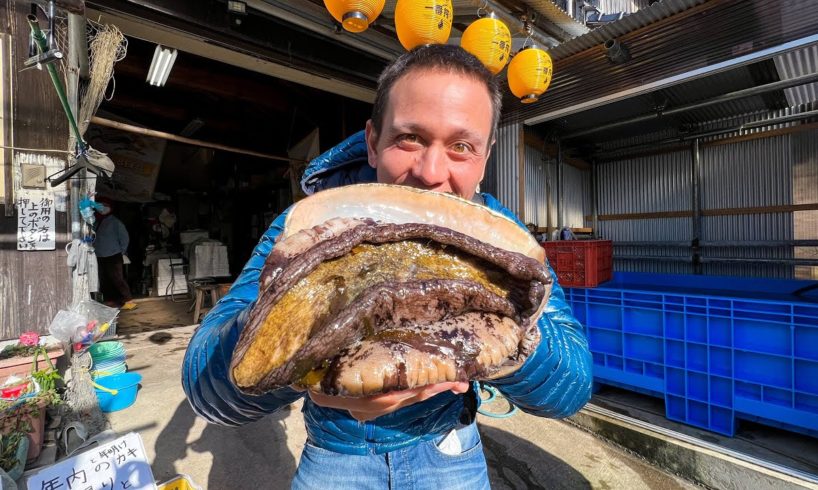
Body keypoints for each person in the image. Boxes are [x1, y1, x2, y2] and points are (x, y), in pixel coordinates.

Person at [183, 44, 591, 489]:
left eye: (461, 146)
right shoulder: (307, 225)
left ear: (486, 156)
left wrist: (502, 339)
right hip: (334, 457)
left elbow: (572, 386)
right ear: (372, 141)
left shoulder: (505, 239)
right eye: (409, 138)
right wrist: (301, 337)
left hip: (451, 450)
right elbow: (207, 391)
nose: (431, 171)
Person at [94, 199, 137, 311]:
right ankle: (110, 301)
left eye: (105, 206)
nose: (102, 208)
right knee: (104, 280)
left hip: (114, 255)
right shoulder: (96, 221)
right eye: (101, 206)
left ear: (111, 208)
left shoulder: (115, 222)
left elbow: (125, 238)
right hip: (100, 255)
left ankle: (128, 300)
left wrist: (121, 251)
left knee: (117, 278)